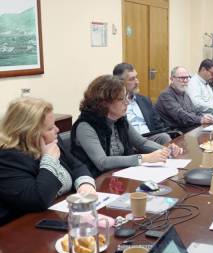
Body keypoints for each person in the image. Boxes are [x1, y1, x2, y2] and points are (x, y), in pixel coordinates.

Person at [0, 97, 96, 225]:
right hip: (24, 228)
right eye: (50, 128)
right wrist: (49, 160)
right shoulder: (7, 158)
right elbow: (38, 199)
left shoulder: (50, 142)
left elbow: (76, 165)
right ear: (30, 133)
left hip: (60, 215)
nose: (57, 130)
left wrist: (85, 184)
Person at [71, 75, 182, 177]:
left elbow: (141, 143)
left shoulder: (119, 119)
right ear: (104, 102)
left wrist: (166, 150)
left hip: (120, 175)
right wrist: (143, 158)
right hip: (96, 181)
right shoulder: (85, 126)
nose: (127, 102)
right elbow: (102, 162)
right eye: (121, 99)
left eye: (126, 97)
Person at [113, 63, 171, 145]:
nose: (137, 82)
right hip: (129, 141)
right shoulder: (115, 103)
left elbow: (158, 125)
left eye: (136, 77)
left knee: (164, 137)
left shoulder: (145, 100)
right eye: (132, 79)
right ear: (120, 82)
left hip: (149, 138)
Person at [154, 66, 213, 132]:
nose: (185, 81)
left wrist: (204, 116)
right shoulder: (166, 95)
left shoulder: (184, 93)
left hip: (189, 127)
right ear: (172, 79)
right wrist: (200, 119)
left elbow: (195, 111)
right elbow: (180, 115)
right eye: (181, 78)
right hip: (175, 131)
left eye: (187, 77)